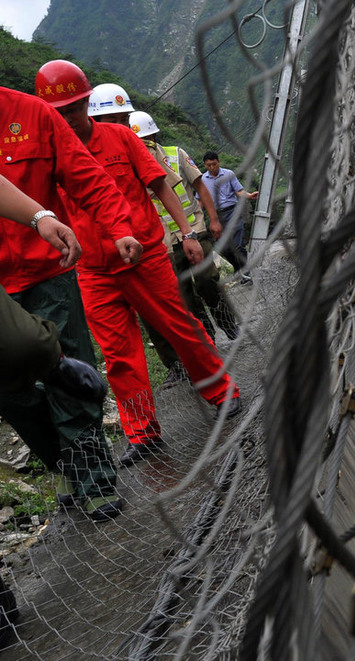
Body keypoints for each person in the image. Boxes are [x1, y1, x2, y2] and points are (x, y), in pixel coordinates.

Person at [35, 60, 242, 467]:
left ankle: (221, 391)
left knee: (179, 326)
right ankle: (142, 431)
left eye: (74, 109)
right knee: (118, 352)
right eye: (57, 114)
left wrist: (187, 233)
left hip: (144, 258)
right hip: (94, 270)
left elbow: (160, 185)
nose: (68, 120)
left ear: (87, 104)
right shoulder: (50, 157)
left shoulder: (121, 139)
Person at [0, 80, 142, 520]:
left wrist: (119, 226)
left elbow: (87, 177)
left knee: (66, 369)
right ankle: (64, 460)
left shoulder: (32, 114)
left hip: (47, 269)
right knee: (12, 392)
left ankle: (95, 477)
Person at [128, 110, 240, 379]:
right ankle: (208, 340)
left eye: (147, 140)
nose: (145, 145)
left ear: (154, 135)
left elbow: (200, 187)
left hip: (194, 229)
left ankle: (228, 325)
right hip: (165, 241)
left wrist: (213, 220)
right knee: (185, 297)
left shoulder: (175, 155)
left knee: (207, 282)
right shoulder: (130, 165)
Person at [201, 151, 258, 283]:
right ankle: (239, 269)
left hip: (233, 212)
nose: (211, 168)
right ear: (205, 165)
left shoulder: (228, 174)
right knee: (224, 249)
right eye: (208, 165)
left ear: (218, 162)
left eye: (214, 164)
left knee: (238, 245)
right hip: (216, 217)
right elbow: (201, 200)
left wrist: (249, 196)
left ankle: (246, 274)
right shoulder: (202, 179)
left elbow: (239, 191)